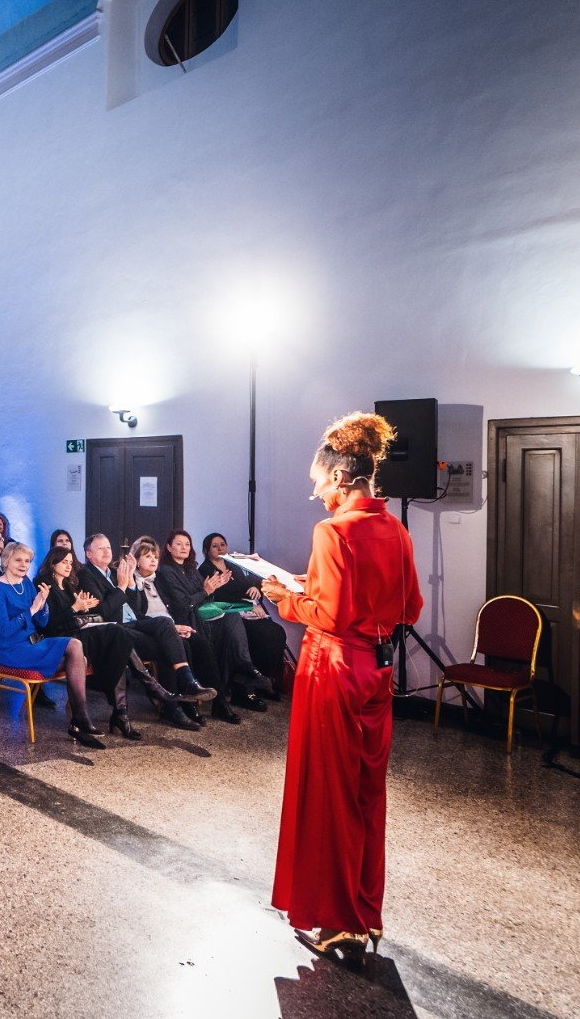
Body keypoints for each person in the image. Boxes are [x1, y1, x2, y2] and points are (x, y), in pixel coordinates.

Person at [262, 413, 422, 963]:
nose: (314, 487)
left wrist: (283, 597)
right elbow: (410, 607)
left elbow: (326, 615)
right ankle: (362, 912)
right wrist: (311, 585)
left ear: (343, 478)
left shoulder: (332, 531)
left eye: (318, 478)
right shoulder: (395, 530)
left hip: (331, 671)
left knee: (326, 795)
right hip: (376, 673)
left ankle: (335, 919)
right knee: (363, 795)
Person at [76, 534, 212, 731]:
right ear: (88, 554)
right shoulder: (86, 575)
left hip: (136, 622)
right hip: (117, 630)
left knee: (165, 623)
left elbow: (139, 608)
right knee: (170, 646)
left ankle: (187, 679)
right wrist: (123, 586)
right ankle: (172, 707)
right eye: (100, 549)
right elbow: (105, 612)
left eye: (108, 547)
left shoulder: (115, 572)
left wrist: (131, 585)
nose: (107, 551)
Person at [0, 542, 104, 748]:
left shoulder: (26, 583)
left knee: (76, 650)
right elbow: (4, 630)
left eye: (27, 561)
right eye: (18, 560)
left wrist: (43, 604)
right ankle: (79, 720)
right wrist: (31, 610)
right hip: (11, 651)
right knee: (76, 655)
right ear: (6, 561)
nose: (23, 565)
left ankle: (79, 719)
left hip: (34, 645)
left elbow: (42, 623)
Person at [160, 529, 272, 714]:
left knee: (232, 622)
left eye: (187, 544)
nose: (183, 548)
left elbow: (203, 599)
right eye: (178, 544)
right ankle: (235, 683)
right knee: (228, 633)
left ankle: (241, 678)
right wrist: (206, 591)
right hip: (187, 619)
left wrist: (212, 588)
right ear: (169, 547)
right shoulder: (167, 571)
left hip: (202, 616)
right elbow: (183, 605)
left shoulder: (190, 569)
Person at [36, 547, 139, 739]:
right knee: (118, 635)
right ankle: (142, 688)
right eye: (64, 562)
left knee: (119, 636)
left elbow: (73, 617)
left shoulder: (67, 585)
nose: (68, 566)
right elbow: (49, 625)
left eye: (70, 562)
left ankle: (123, 707)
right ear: (52, 563)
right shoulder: (43, 584)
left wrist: (82, 608)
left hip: (77, 633)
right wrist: (76, 607)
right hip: (60, 640)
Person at [129, 537, 231, 725]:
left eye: (155, 557)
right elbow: (135, 618)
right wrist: (173, 627)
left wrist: (180, 625)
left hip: (171, 625)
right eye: (147, 556)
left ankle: (220, 702)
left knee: (201, 644)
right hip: (151, 631)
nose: (153, 560)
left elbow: (176, 606)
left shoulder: (158, 579)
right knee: (183, 646)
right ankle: (185, 703)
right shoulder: (132, 583)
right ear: (135, 560)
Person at [202, 532, 289, 697]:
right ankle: (249, 683)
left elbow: (251, 582)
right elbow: (218, 597)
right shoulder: (205, 569)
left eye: (223, 544)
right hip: (230, 613)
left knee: (276, 632)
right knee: (260, 634)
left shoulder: (233, 565)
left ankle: (265, 680)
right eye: (215, 546)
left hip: (249, 610)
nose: (220, 548)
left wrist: (256, 587)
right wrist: (248, 604)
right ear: (207, 550)